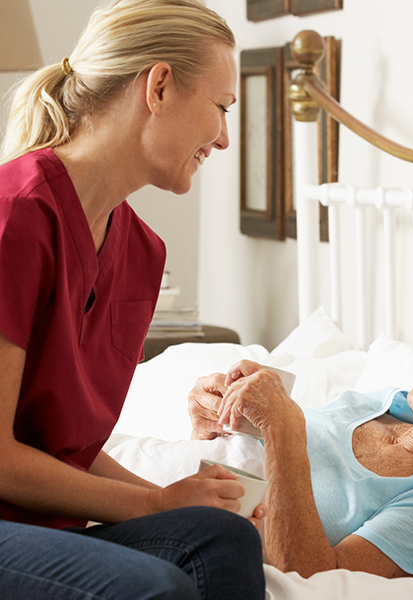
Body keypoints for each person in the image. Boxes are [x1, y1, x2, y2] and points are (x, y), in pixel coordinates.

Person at [0, 1, 265, 598]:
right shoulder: (16, 217)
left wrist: (185, 503)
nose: (223, 139)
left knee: (221, 538)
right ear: (160, 86)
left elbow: (67, 447)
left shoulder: (142, 253)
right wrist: (152, 502)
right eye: (222, 108)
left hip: (43, 533)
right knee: (152, 587)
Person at [188, 292, 413, 580]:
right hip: (173, 508)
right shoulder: (377, 402)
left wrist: (283, 426)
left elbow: (316, 581)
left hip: (197, 553)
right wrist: (212, 417)